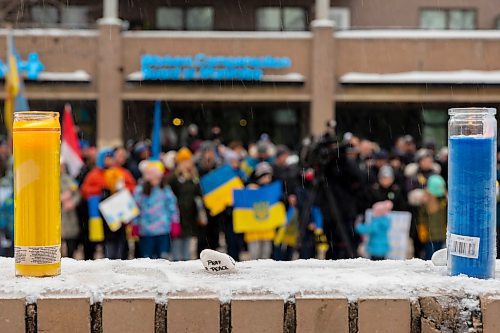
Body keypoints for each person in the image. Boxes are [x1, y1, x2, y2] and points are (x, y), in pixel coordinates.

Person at [133, 161, 179, 259]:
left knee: (163, 257)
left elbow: (172, 207)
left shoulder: (165, 190)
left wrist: (175, 222)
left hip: (162, 230)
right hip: (146, 231)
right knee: (147, 258)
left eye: (158, 177)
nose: (156, 180)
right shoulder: (140, 191)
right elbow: (135, 209)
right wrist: (135, 224)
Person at [167, 147, 202, 261]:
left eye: (188, 161)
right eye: (183, 161)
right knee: (177, 244)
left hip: (190, 216)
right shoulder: (173, 177)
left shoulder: (193, 177)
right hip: (177, 215)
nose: (186, 164)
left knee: (187, 245)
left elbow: (198, 194)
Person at [245, 162, 276, 260]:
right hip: (253, 228)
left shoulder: (272, 189)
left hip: (267, 227)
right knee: (255, 252)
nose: (268, 179)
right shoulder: (250, 188)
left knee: (266, 252)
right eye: (266, 176)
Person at [418, 175, 447, 260]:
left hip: (441, 234)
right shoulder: (426, 201)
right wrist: (422, 228)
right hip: (430, 235)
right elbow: (422, 217)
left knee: (439, 256)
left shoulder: (443, 200)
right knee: (430, 256)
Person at [61, 163, 81, 258]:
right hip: (57, 214)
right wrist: (59, 198)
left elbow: (77, 194)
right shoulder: (50, 179)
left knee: (71, 239)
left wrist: (72, 202)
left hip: (69, 215)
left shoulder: (69, 179)